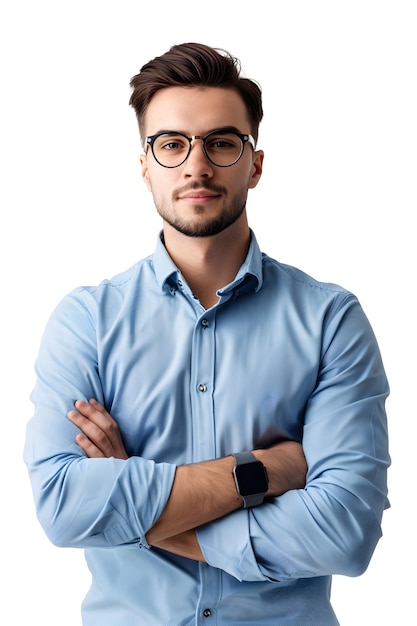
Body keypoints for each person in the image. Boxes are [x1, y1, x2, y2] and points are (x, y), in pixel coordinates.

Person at [24, 42, 390, 625]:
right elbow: (64, 509)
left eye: (221, 142)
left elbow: (344, 533)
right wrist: (267, 471)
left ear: (256, 163)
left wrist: (137, 505)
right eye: (171, 144)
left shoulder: (330, 321)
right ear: (145, 166)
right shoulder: (86, 322)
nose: (196, 165)